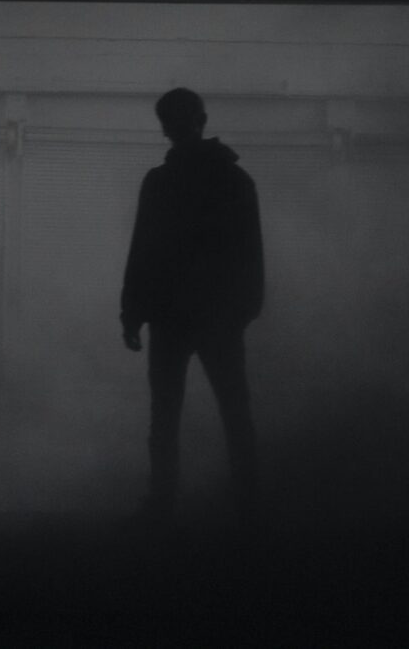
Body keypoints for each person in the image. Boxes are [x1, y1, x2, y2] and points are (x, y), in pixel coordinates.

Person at [121, 87, 264, 527]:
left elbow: (142, 252)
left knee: (165, 415)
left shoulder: (160, 183)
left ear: (166, 127)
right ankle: (249, 503)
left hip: (170, 317)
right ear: (201, 121)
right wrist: (244, 309)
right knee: (234, 412)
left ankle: (163, 501)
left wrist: (133, 313)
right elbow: (250, 254)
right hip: (219, 317)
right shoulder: (235, 181)